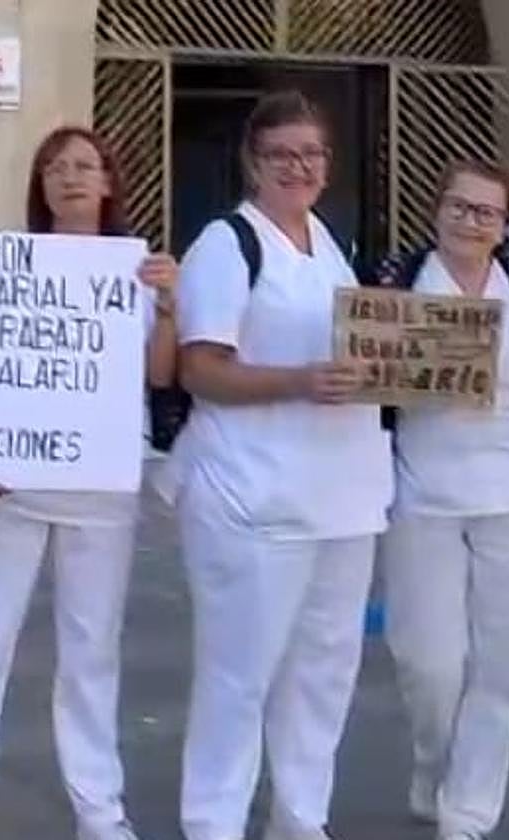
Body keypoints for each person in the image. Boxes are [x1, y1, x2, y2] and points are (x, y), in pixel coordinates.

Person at [0, 126, 178, 840]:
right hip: (12, 486)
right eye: (55, 168)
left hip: (100, 489)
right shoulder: (11, 264)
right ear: (40, 186)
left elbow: (158, 374)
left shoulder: (136, 270)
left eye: (85, 165)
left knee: (92, 654)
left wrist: (169, 307)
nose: (71, 177)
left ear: (109, 181)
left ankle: (100, 810)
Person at [166, 90, 393, 840]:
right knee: (239, 677)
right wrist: (298, 382)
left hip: (341, 495)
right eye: (282, 155)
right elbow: (201, 369)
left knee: (324, 673)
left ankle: (300, 817)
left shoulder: (329, 242)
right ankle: (213, 823)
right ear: (252, 162)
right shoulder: (227, 244)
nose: (299, 167)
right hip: (252, 494)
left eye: (311, 153)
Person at [373, 160, 509, 840]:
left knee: (500, 662)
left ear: (505, 225)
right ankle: (434, 765)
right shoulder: (397, 278)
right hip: (422, 489)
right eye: (459, 206)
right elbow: (362, 364)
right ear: (437, 209)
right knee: (429, 662)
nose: (470, 221)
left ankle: (469, 810)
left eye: (486, 212)